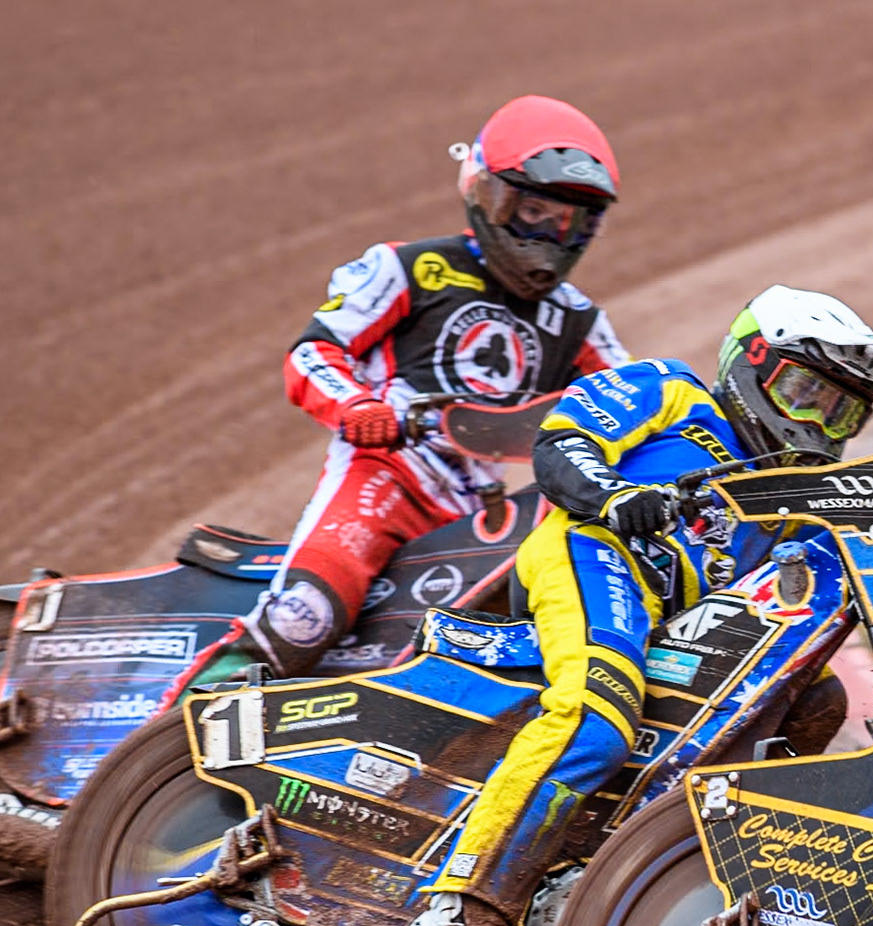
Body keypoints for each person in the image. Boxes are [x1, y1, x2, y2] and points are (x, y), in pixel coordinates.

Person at [402, 285, 873, 926]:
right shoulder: (669, 390)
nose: (817, 421)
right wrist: (612, 497)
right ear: (752, 361)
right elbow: (564, 440)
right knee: (595, 718)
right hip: (596, 552)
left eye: (841, 410)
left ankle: (648, 894)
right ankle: (457, 913)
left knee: (813, 704)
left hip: (687, 627)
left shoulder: (792, 488)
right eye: (805, 393)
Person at [176, 96, 629, 690]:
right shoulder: (407, 268)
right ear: (488, 192)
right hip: (386, 476)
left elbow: (628, 402)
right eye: (537, 211)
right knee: (305, 616)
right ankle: (163, 738)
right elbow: (312, 352)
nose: (552, 234)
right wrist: (358, 407)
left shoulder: (578, 320)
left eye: (573, 222)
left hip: (486, 515)